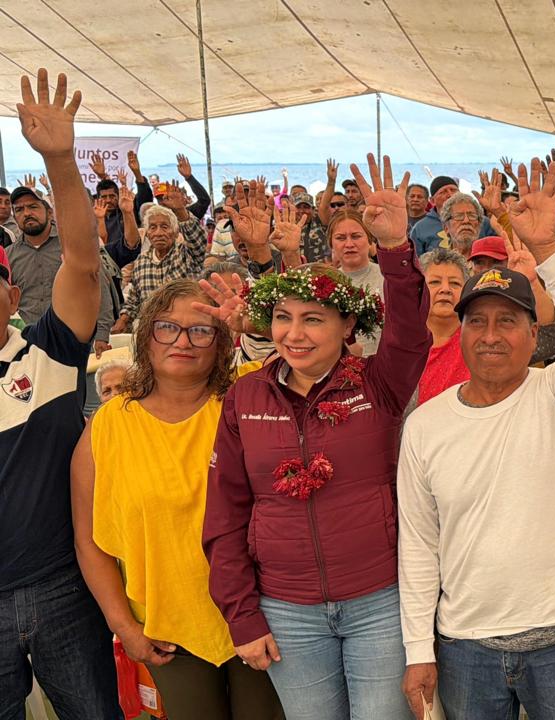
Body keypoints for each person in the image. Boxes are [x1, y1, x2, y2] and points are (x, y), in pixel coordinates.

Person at [202, 154, 430, 720]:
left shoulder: (377, 383)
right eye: (283, 318)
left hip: (379, 601)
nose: (295, 334)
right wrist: (242, 615)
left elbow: (409, 333)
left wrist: (396, 248)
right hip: (287, 610)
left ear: (348, 326)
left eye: (314, 319)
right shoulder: (245, 397)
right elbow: (226, 513)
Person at [398, 156, 555, 719]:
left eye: (508, 321)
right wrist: (419, 649)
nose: (490, 335)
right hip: (465, 645)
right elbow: (418, 543)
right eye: (477, 321)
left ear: (534, 333)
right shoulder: (425, 425)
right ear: (461, 330)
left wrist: (548, 251)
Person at [72, 280, 284, 720]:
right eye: (167, 327)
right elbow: (89, 540)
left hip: (265, 614)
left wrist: (259, 324)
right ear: (146, 335)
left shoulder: (251, 395)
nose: (183, 341)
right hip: (169, 630)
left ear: (221, 342)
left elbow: (327, 358)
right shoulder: (108, 426)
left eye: (201, 330)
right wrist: (123, 625)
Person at [0, 68, 120, 719]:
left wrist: (60, 163)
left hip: (62, 588)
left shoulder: (46, 352)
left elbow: (81, 262)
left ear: (13, 296)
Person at [9, 185, 116, 354]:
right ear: (14, 217)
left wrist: (102, 334)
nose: (27, 213)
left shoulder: (73, 246)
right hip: (29, 347)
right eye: (19, 209)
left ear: (49, 212)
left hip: (74, 342)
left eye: (33, 206)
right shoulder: (9, 256)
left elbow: (99, 287)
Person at [114, 200, 209, 332]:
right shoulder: (141, 261)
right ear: (147, 234)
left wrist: (180, 210)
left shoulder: (188, 254)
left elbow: (196, 237)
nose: (158, 233)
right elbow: (134, 299)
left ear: (176, 232)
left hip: (185, 326)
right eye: (153, 227)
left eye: (164, 227)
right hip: (151, 328)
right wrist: (123, 320)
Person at [411, 248, 471, 407]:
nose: (445, 289)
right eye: (434, 282)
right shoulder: (401, 344)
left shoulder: (480, 338)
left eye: (455, 283)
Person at [328, 210, 385, 357]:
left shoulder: (389, 278)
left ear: (370, 240)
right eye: (340, 238)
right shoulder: (325, 283)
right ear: (331, 244)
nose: (349, 244)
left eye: (356, 236)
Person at [410, 176, 495, 255]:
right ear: (432, 201)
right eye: (443, 192)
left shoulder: (483, 221)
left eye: (453, 190)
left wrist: (497, 212)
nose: (450, 194)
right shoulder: (420, 228)